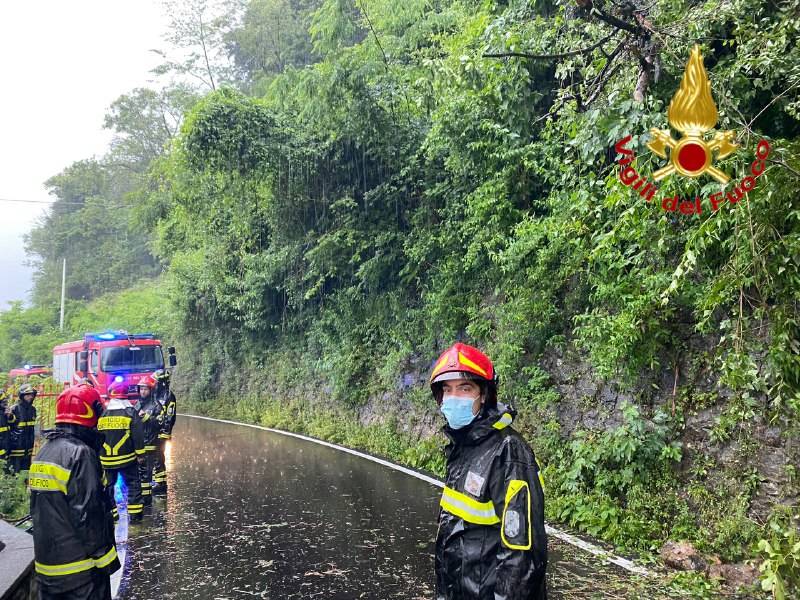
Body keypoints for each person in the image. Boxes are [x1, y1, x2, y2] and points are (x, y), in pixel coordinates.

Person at [431, 342, 548, 600]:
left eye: (465, 388)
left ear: (483, 394)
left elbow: (522, 555)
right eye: (447, 390)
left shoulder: (509, 452)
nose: (454, 397)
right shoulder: (464, 446)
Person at [29, 383, 120, 600]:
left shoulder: (44, 452)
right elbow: (89, 515)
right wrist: (106, 561)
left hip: (48, 571)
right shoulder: (80, 454)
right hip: (81, 574)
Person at [99, 383, 146, 522]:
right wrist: (140, 454)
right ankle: (135, 515)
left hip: (107, 460)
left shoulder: (103, 414)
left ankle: (112, 514)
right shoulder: (131, 413)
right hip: (127, 459)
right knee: (133, 484)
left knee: (108, 486)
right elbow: (137, 435)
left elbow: (99, 436)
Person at [135, 376, 164, 505]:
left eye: (145, 389)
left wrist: (146, 417)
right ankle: (143, 495)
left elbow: (160, 423)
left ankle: (146, 500)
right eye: (141, 389)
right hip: (140, 444)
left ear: (151, 390)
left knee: (147, 472)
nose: (143, 392)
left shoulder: (156, 406)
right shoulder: (138, 404)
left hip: (151, 444)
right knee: (140, 472)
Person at [151, 369, 176, 495]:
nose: (153, 383)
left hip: (162, 433)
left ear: (161, 382)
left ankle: (161, 484)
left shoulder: (169, 396)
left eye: (155, 381)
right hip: (154, 432)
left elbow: (170, 417)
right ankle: (157, 481)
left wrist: (165, 433)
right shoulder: (155, 394)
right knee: (155, 457)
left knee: (159, 457)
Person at [8, 383, 38, 473]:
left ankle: (24, 487)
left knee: (25, 473)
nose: (30, 397)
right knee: (15, 473)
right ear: (22, 396)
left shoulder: (33, 409)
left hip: (28, 448)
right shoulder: (14, 409)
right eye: (28, 395)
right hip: (16, 448)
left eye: (32, 395)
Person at [0, 391, 10, 467]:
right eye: (3, 402)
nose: (6, 404)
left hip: (5, 450)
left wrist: (9, 416)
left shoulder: (4, 414)